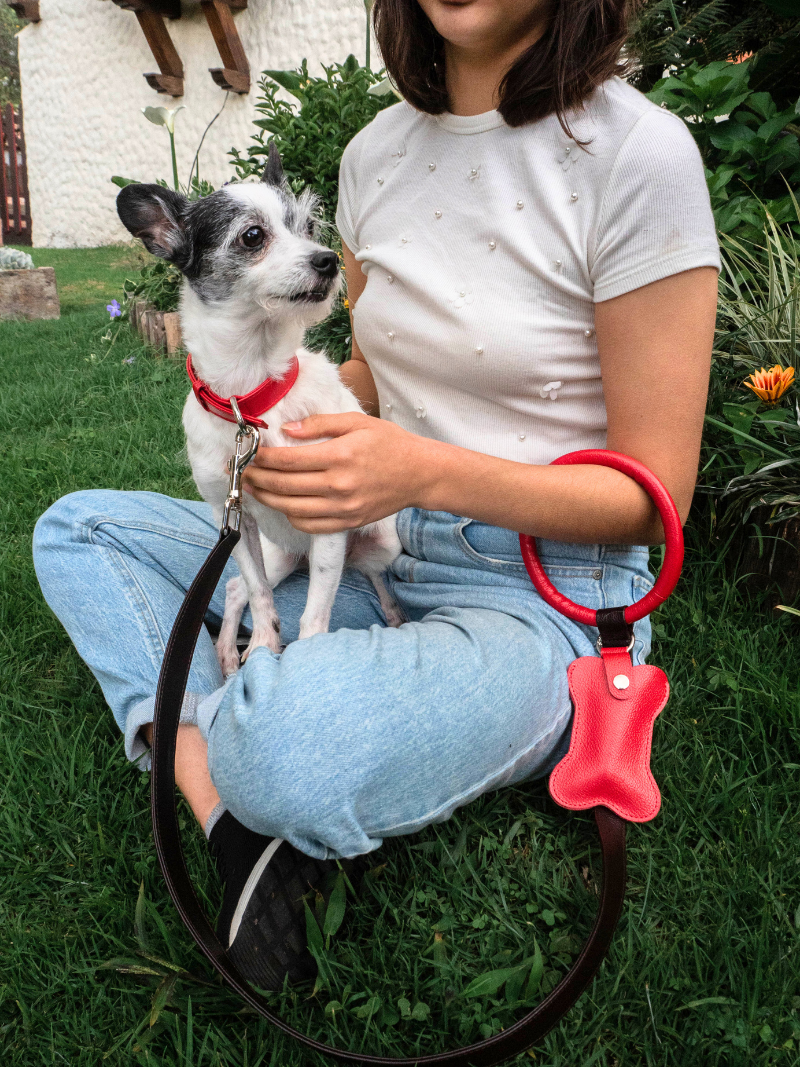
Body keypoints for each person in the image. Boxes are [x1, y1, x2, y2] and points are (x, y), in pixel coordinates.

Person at [33, 0, 719, 989]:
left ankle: (249, 735)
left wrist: (417, 469)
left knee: (290, 743)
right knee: (80, 528)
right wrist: (259, 413)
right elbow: (380, 372)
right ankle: (228, 813)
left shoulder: (637, 154)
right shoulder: (373, 157)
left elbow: (656, 499)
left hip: (539, 593)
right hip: (375, 539)